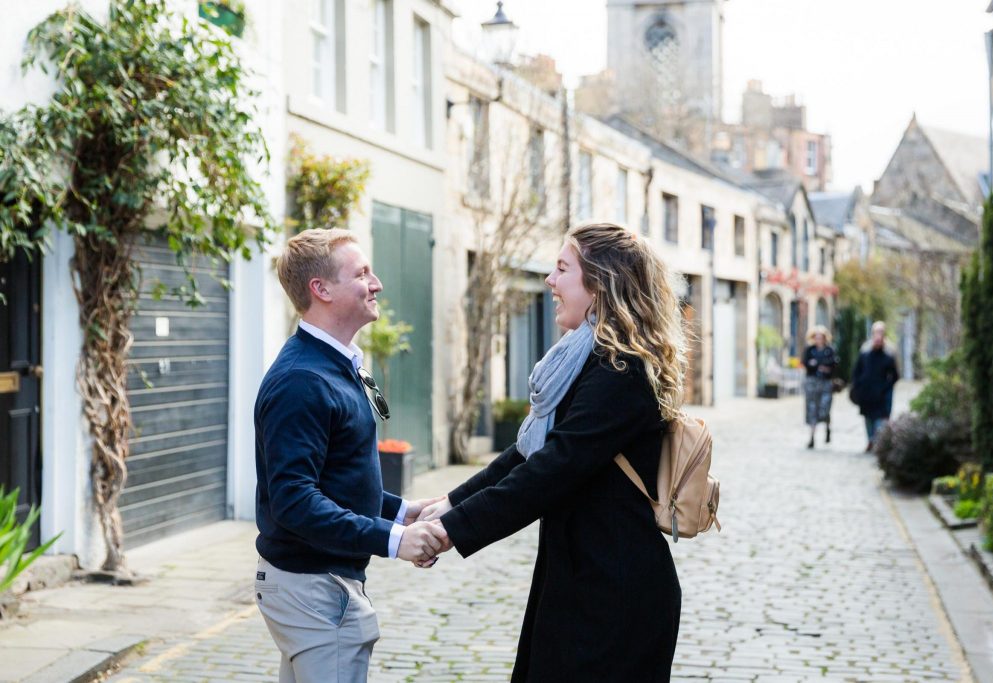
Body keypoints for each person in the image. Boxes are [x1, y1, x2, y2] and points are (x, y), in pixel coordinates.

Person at [420, 223, 687, 681]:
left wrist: (451, 531)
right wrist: (448, 504)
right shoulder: (585, 359)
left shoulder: (621, 371)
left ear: (600, 283)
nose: (550, 280)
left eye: (563, 269)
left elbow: (551, 469)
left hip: (614, 592)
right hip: (581, 577)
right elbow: (528, 451)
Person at [253, 228, 448, 683]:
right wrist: (394, 540)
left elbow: (333, 478)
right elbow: (295, 501)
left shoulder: (336, 363)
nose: (376, 282)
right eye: (361, 273)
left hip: (319, 585)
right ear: (320, 290)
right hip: (315, 589)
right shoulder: (303, 379)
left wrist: (400, 511)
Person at [851, 321, 899, 452]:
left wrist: (886, 387)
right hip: (867, 393)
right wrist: (857, 386)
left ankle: (877, 442)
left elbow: (894, 375)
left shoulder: (889, 353)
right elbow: (857, 371)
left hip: (882, 393)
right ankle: (871, 440)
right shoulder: (865, 352)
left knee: (880, 420)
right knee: (868, 419)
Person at [801, 325, 838, 449]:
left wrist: (817, 364)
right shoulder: (810, 350)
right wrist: (819, 365)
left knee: (824, 408)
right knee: (812, 409)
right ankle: (812, 437)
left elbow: (833, 365)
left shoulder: (830, 350)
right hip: (812, 383)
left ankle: (827, 427)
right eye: (816, 337)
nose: (818, 340)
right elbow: (806, 363)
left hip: (825, 383)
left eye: (820, 337)